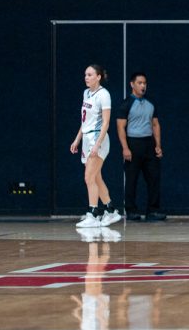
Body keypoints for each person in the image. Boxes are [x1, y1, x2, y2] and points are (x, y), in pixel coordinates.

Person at [70, 64, 122, 228]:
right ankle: (111, 210)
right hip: (86, 137)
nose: (86, 77)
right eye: (85, 74)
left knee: (89, 177)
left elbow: (106, 122)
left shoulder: (104, 95)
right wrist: (77, 139)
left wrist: (97, 144)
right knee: (96, 177)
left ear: (98, 77)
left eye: (90, 74)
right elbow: (84, 121)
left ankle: (92, 213)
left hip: (98, 138)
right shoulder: (86, 93)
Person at [115, 72, 165, 222]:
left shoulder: (151, 103)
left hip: (148, 144)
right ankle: (131, 211)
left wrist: (158, 145)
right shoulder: (126, 104)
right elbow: (120, 127)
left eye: (144, 83)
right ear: (132, 84)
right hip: (133, 143)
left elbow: (155, 124)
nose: (143, 86)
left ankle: (153, 211)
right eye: (140, 83)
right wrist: (125, 148)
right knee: (131, 179)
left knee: (154, 178)